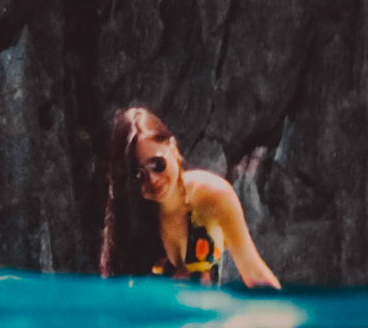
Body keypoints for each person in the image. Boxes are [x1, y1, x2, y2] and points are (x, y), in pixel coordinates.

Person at [99, 106, 282, 289]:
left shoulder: (213, 197)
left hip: (207, 316)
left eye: (157, 163)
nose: (153, 179)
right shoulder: (134, 216)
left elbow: (254, 274)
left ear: (173, 147)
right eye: (139, 176)